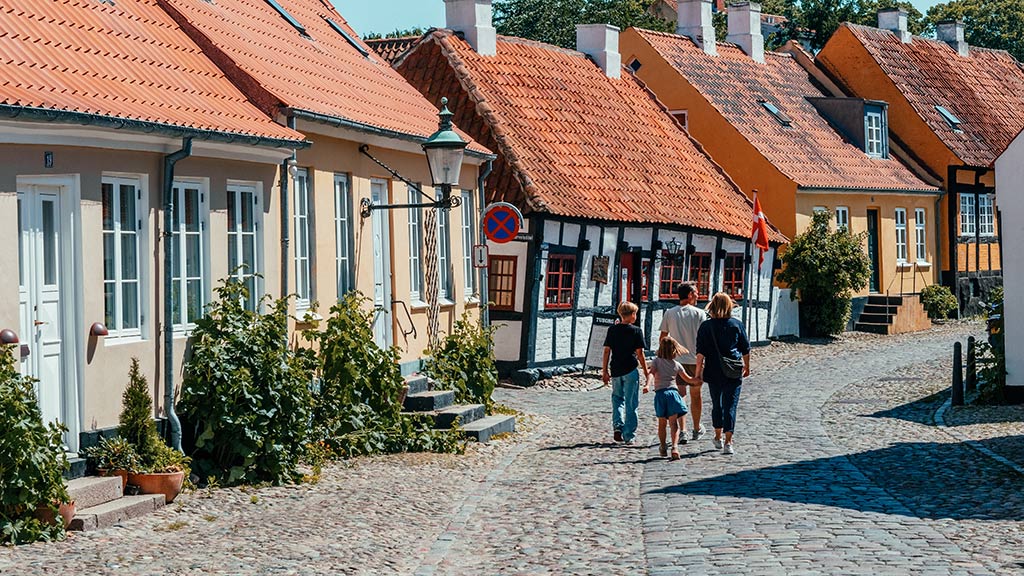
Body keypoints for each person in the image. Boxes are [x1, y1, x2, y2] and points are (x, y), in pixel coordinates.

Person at [694, 292, 750, 455]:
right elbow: (745, 348)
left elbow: (700, 353)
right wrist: (747, 366)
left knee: (716, 404)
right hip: (733, 370)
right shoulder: (736, 324)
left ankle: (718, 436)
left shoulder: (706, 326)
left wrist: (698, 372)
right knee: (730, 405)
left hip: (712, 370)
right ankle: (728, 442)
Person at [659, 282, 707, 441]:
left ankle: (683, 430)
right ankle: (696, 428)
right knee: (696, 395)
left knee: (680, 395)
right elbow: (703, 338)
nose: (698, 296)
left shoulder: (670, 313)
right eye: (696, 293)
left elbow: (663, 338)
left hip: (676, 361)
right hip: (695, 361)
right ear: (690, 295)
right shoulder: (700, 314)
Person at [602, 301, 649, 445]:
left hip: (615, 369)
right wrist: (647, 373)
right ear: (632, 315)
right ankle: (629, 435)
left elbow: (606, 351)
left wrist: (604, 371)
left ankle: (618, 426)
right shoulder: (636, 331)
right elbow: (640, 354)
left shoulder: (612, 330)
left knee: (617, 399)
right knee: (631, 402)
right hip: (630, 370)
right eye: (635, 313)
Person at [648, 336, 700, 459]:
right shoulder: (677, 365)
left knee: (661, 424)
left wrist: (647, 385)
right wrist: (697, 379)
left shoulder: (656, 361)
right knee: (674, 424)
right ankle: (675, 447)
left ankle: (662, 446)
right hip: (673, 395)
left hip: (660, 394)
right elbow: (688, 379)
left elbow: (651, 373)